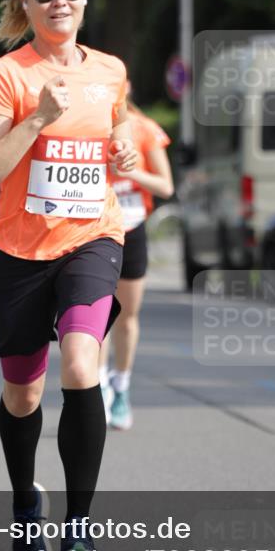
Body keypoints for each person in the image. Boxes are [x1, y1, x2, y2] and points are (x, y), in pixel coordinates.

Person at [0, 0, 137, 551]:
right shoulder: (6, 75)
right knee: (22, 392)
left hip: (92, 238)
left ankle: (81, 523)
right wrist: (36, 119)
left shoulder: (111, 70)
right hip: (18, 252)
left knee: (80, 360)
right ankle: (24, 502)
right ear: (25, 4)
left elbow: (115, 135)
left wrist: (120, 155)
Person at [101, 91, 174, 429]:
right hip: (95, 231)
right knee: (96, 316)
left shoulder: (144, 129)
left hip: (132, 227)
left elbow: (166, 187)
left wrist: (131, 174)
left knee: (126, 316)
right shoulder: (87, 126)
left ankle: (121, 387)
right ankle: (96, 386)